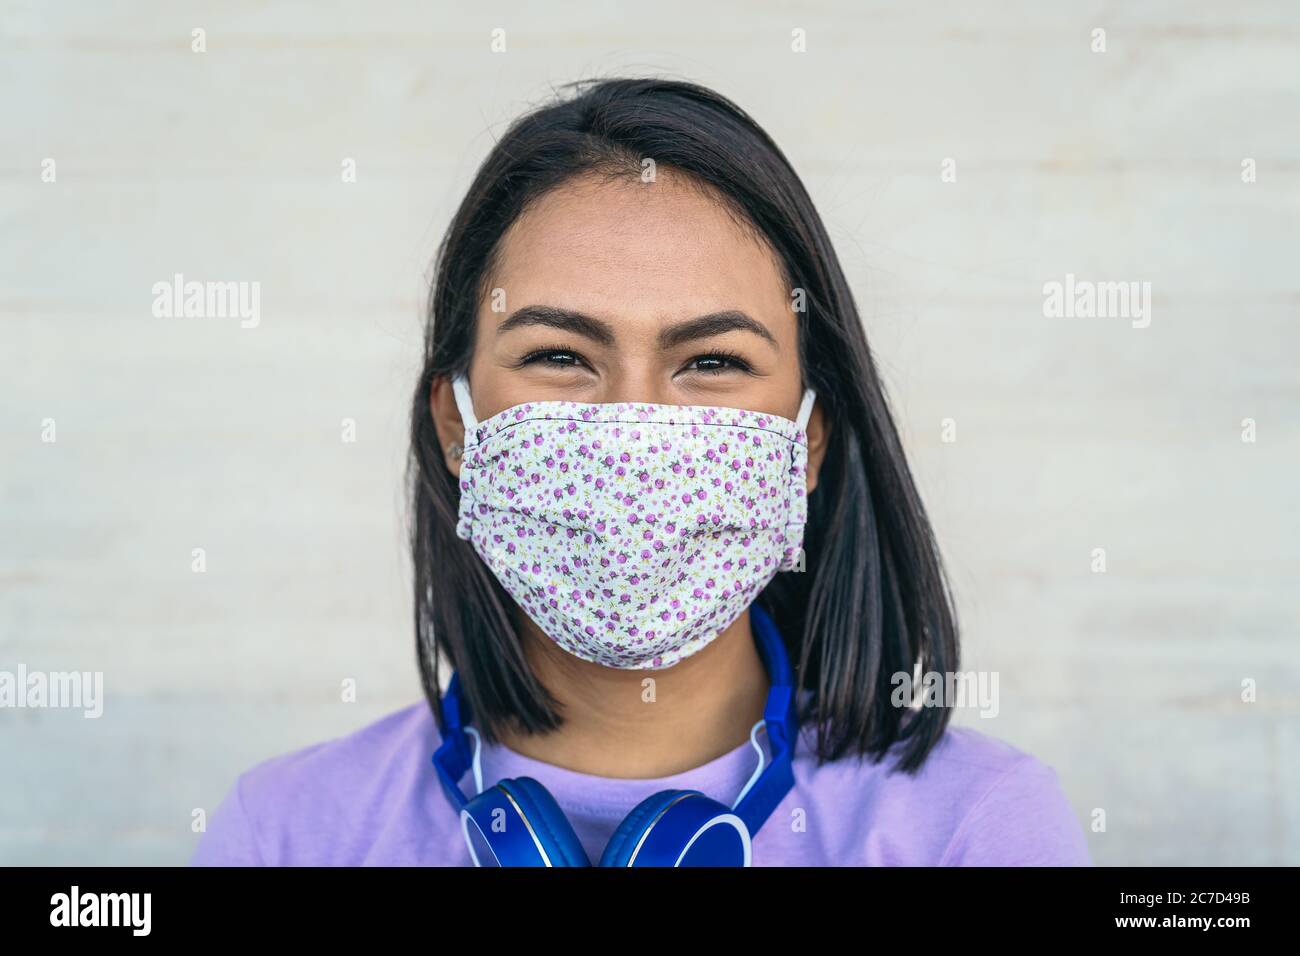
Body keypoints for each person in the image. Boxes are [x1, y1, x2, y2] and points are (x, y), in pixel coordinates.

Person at [191, 77, 1091, 866]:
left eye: (713, 363)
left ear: (806, 444)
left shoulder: (976, 829)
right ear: (457, 427)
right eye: (560, 355)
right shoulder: (285, 834)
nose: (634, 426)